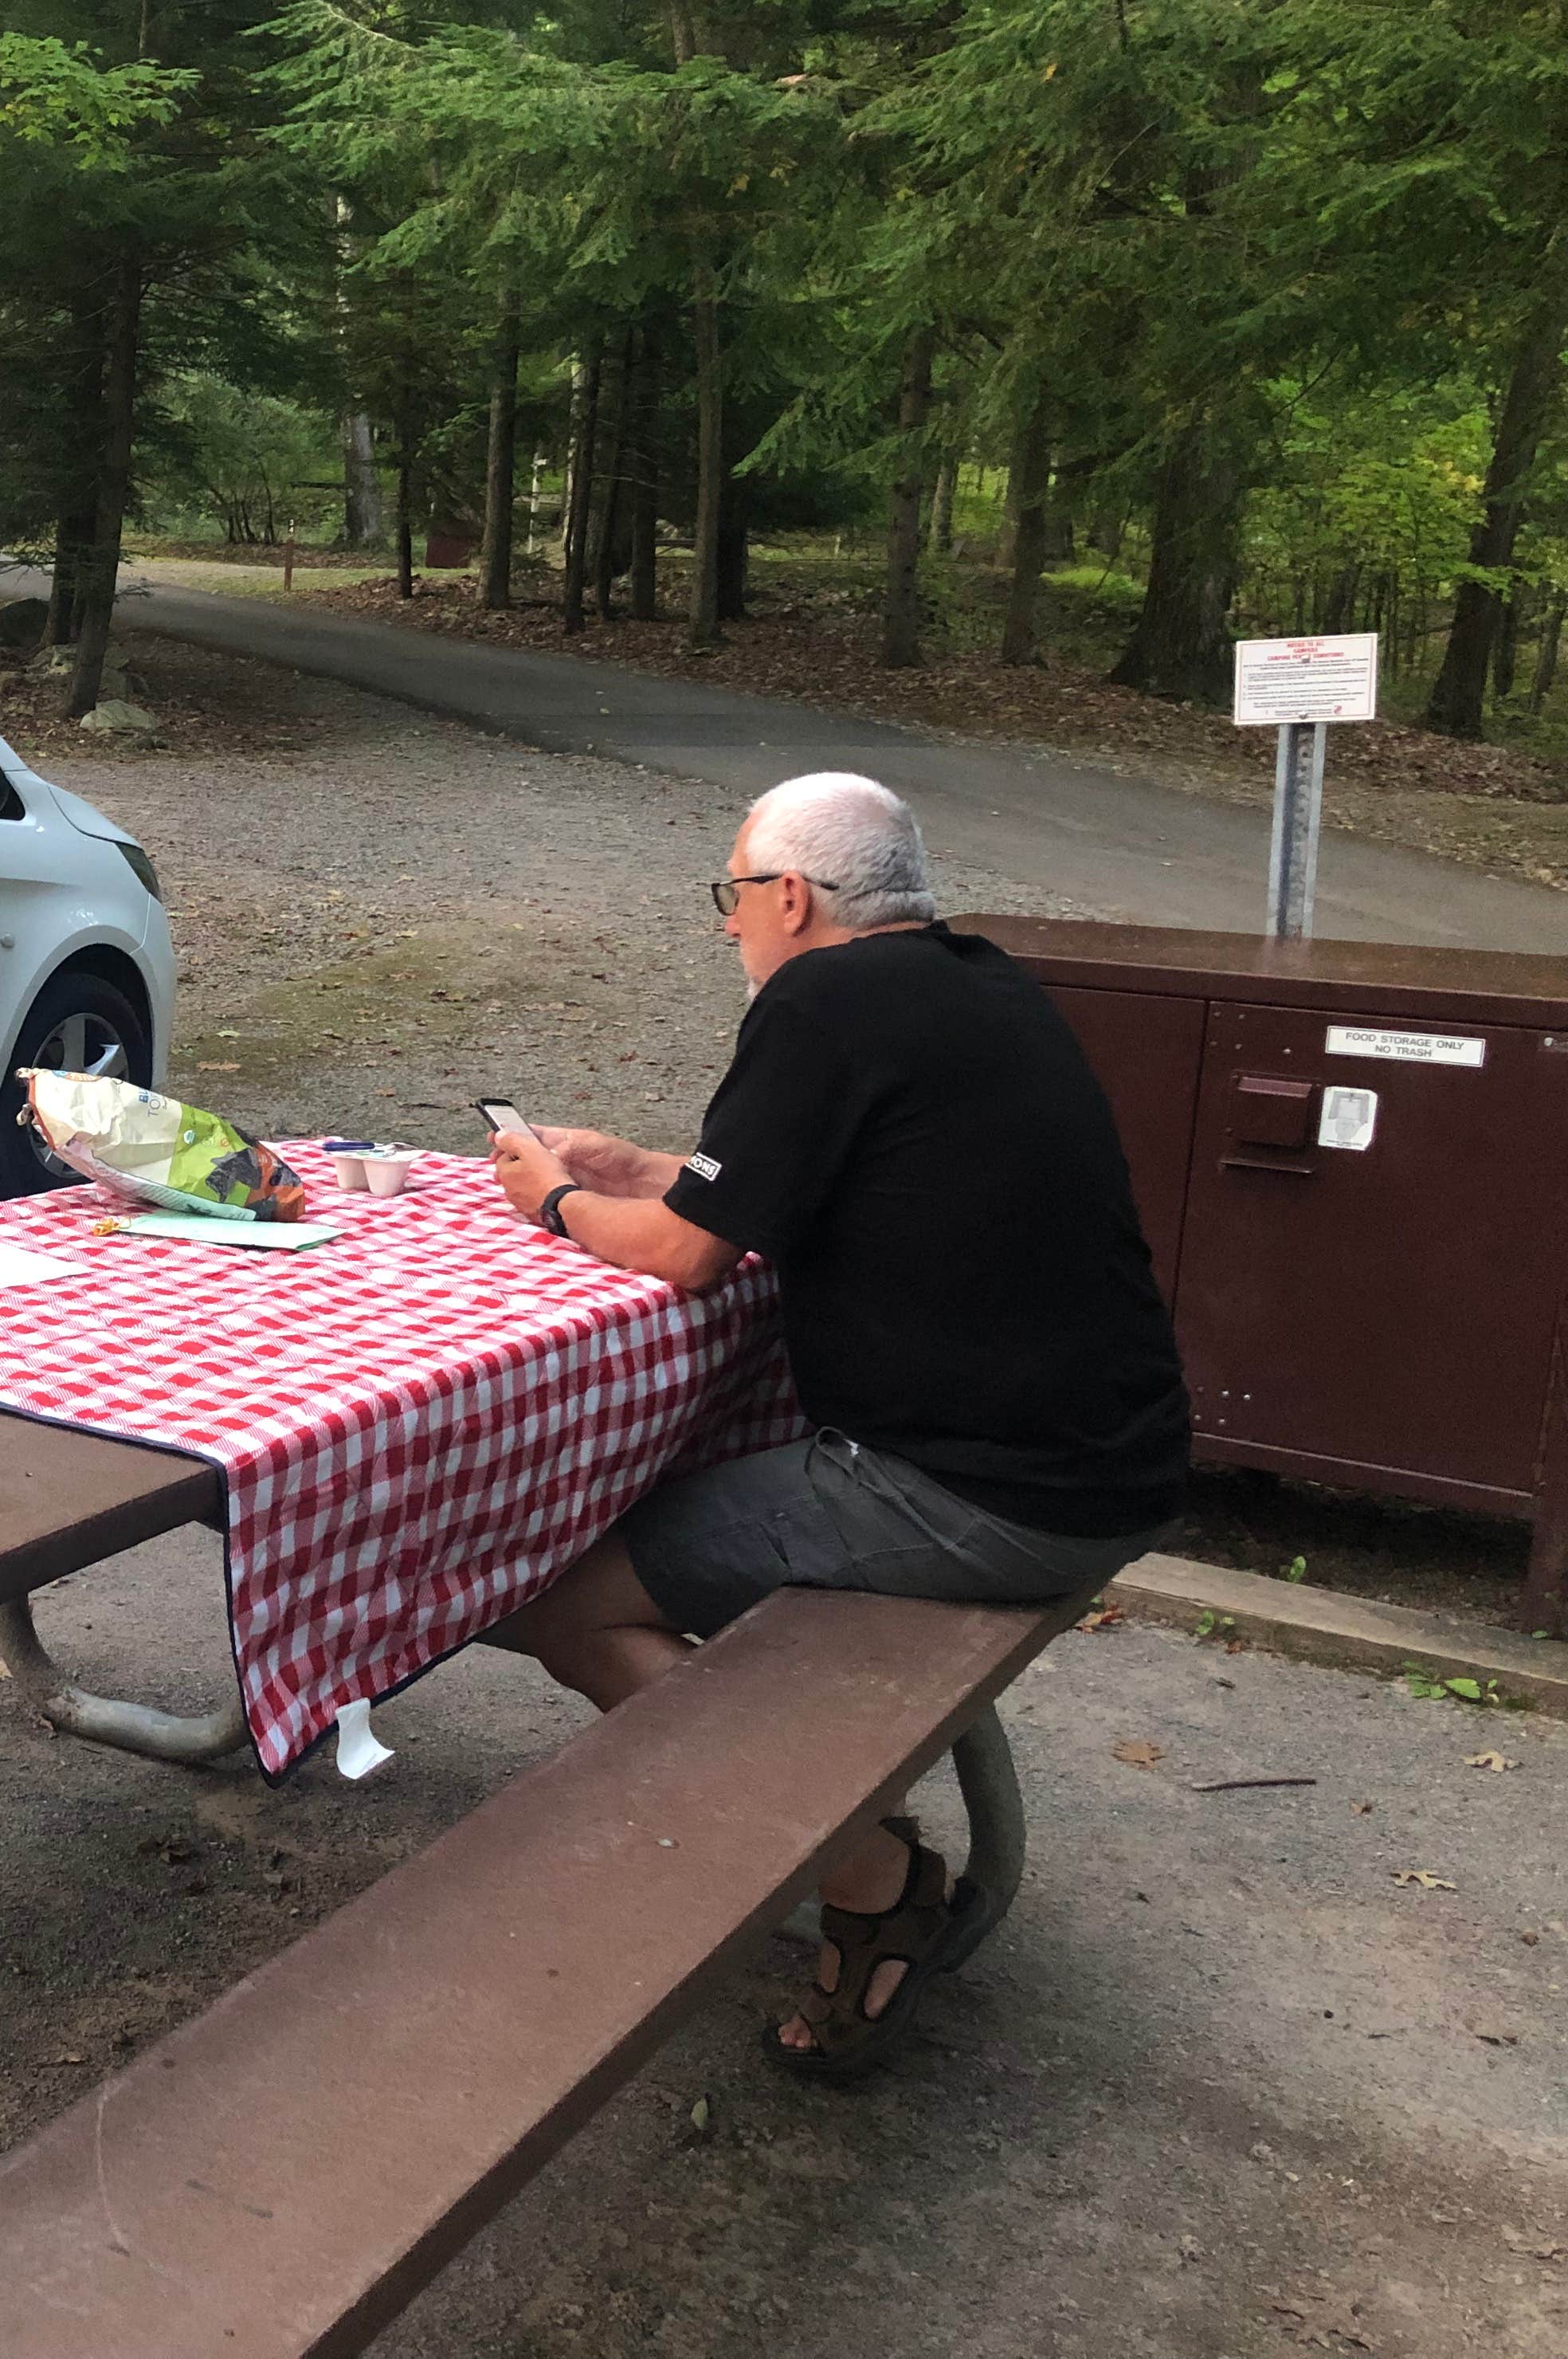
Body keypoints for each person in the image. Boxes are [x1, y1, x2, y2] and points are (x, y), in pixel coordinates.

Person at [482, 771, 1187, 2079]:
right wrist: (638, 1170)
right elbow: (773, 1188)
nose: (729, 923)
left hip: (978, 1496)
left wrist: (556, 1204)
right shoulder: (982, 983)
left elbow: (687, 1259)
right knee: (662, 1529)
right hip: (1113, 1461)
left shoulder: (817, 1001)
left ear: (793, 898)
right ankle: (820, 1821)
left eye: (735, 894)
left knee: (556, 1595)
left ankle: (871, 1878)